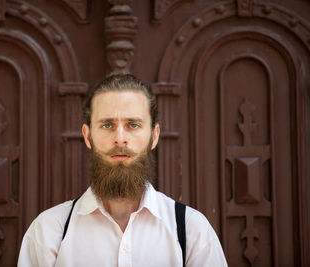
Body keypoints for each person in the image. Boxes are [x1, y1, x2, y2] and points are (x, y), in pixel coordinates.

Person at [18, 74, 228, 267]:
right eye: (107, 125)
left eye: (133, 125)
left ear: (154, 136)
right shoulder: (47, 232)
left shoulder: (193, 231)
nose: (119, 138)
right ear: (87, 135)